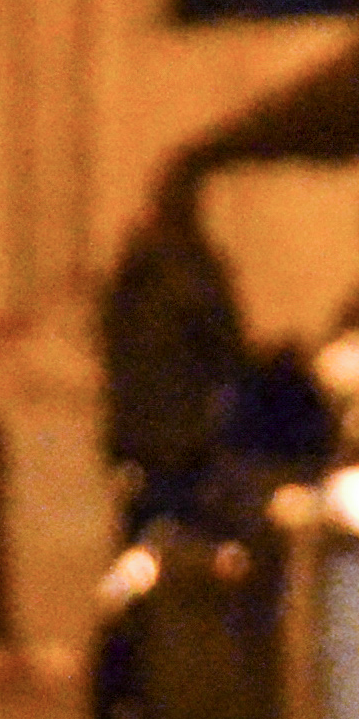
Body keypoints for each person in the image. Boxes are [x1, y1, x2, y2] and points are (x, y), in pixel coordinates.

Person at [98, 159, 247, 543]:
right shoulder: (194, 269)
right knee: (187, 531)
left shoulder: (137, 267)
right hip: (182, 436)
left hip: (149, 434)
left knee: (147, 532)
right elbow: (227, 345)